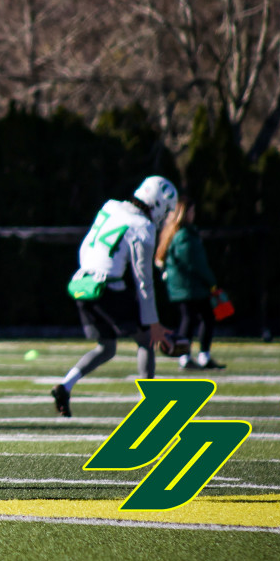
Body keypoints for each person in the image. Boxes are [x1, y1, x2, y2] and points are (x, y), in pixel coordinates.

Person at [51, 175, 178, 418]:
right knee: (146, 340)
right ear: (160, 204)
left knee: (107, 347)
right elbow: (144, 280)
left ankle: (65, 386)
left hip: (82, 282)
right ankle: (149, 405)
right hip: (107, 287)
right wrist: (154, 323)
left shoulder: (110, 206)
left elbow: (87, 246)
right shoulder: (144, 226)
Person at [155, 194, 226, 370]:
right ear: (184, 213)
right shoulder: (184, 235)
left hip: (183, 287)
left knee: (191, 318)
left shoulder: (176, 233)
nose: (194, 214)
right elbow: (195, 263)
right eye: (192, 211)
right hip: (190, 287)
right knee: (202, 318)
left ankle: (188, 356)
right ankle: (193, 356)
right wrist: (211, 282)